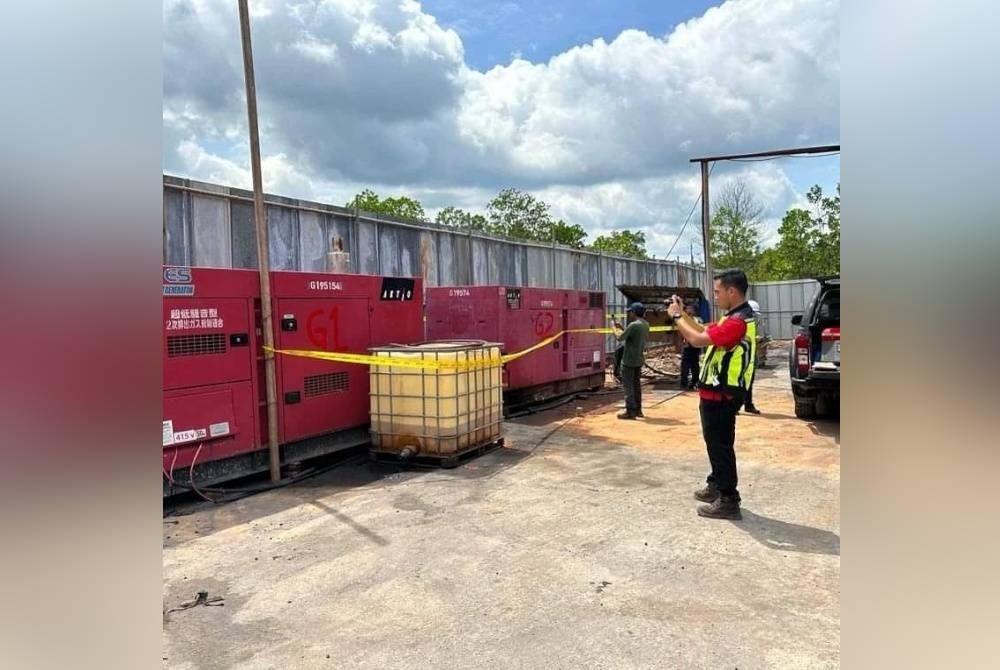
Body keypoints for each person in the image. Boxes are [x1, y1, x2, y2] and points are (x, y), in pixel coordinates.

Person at [666, 269, 757, 520]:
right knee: (716, 444)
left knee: (720, 446)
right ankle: (717, 482)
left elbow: (696, 339)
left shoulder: (737, 323)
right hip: (716, 393)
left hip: (722, 394)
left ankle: (728, 498)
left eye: (717, 292)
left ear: (732, 291)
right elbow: (703, 330)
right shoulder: (733, 317)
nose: (715, 297)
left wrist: (676, 318)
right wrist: (683, 313)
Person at [613, 302, 649, 420]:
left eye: (630, 312)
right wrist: (622, 328)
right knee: (636, 386)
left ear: (634, 312)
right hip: (638, 359)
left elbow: (620, 337)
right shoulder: (645, 324)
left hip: (628, 360)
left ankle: (630, 411)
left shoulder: (633, 325)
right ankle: (638, 410)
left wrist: (613, 328)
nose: (629, 314)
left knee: (628, 387)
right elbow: (630, 335)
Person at [741, 299, 762, 414]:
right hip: (740, 357)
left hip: (751, 356)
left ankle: (748, 404)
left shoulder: (752, 324)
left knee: (749, 381)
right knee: (737, 383)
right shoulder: (739, 322)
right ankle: (735, 406)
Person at [678, 303, 703, 390]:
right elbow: (682, 332)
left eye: (690, 309)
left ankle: (694, 382)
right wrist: (683, 342)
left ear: (694, 311)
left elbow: (700, 331)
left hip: (695, 346)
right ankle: (684, 383)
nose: (688, 310)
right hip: (687, 346)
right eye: (687, 309)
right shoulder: (685, 321)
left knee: (694, 365)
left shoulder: (698, 320)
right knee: (685, 366)